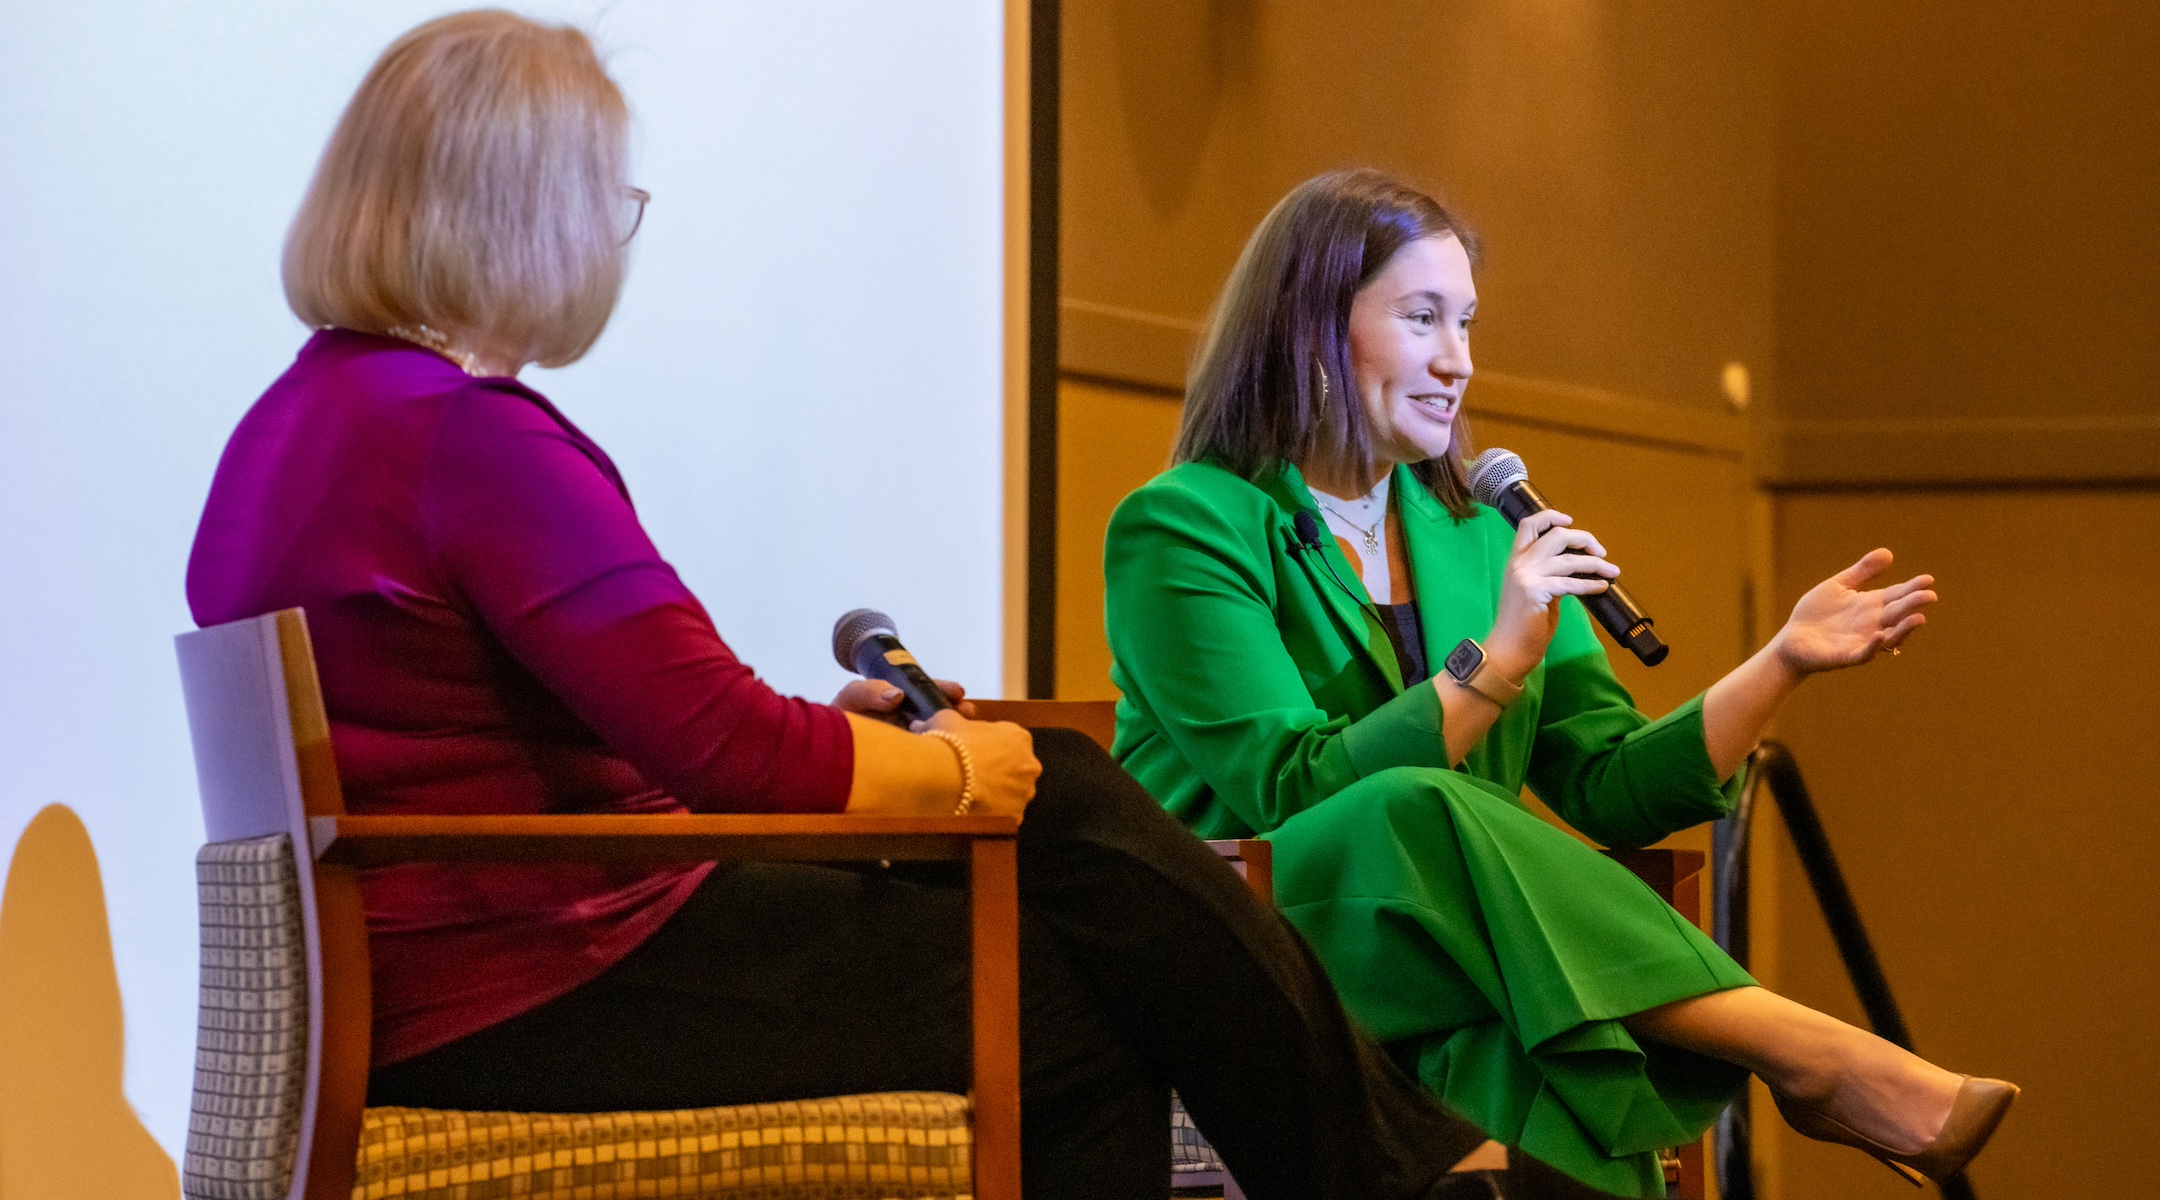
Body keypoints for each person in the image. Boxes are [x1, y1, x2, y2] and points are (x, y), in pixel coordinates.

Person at [183, 15, 1629, 1200]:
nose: (618, 238)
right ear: (531, 214)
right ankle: (1429, 1183)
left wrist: (877, 741)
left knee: (1056, 800)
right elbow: (726, 756)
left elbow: (590, 724)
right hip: (545, 981)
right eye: (610, 202)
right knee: (1071, 984)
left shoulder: (299, 425)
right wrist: (945, 770)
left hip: (486, 957)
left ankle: (1430, 1182)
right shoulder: (470, 442)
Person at [1100, 169, 2017, 1196]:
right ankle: (1799, 1049)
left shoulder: (1482, 536)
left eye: (1468, 324)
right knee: (1416, 806)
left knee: (1527, 1033)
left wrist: (1782, 662)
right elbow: (1294, 789)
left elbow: (1613, 787)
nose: (1458, 362)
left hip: (1449, 943)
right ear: (1310, 329)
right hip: (1245, 931)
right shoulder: (1184, 524)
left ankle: (1785, 1068)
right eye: (1422, 319)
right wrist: (1494, 662)